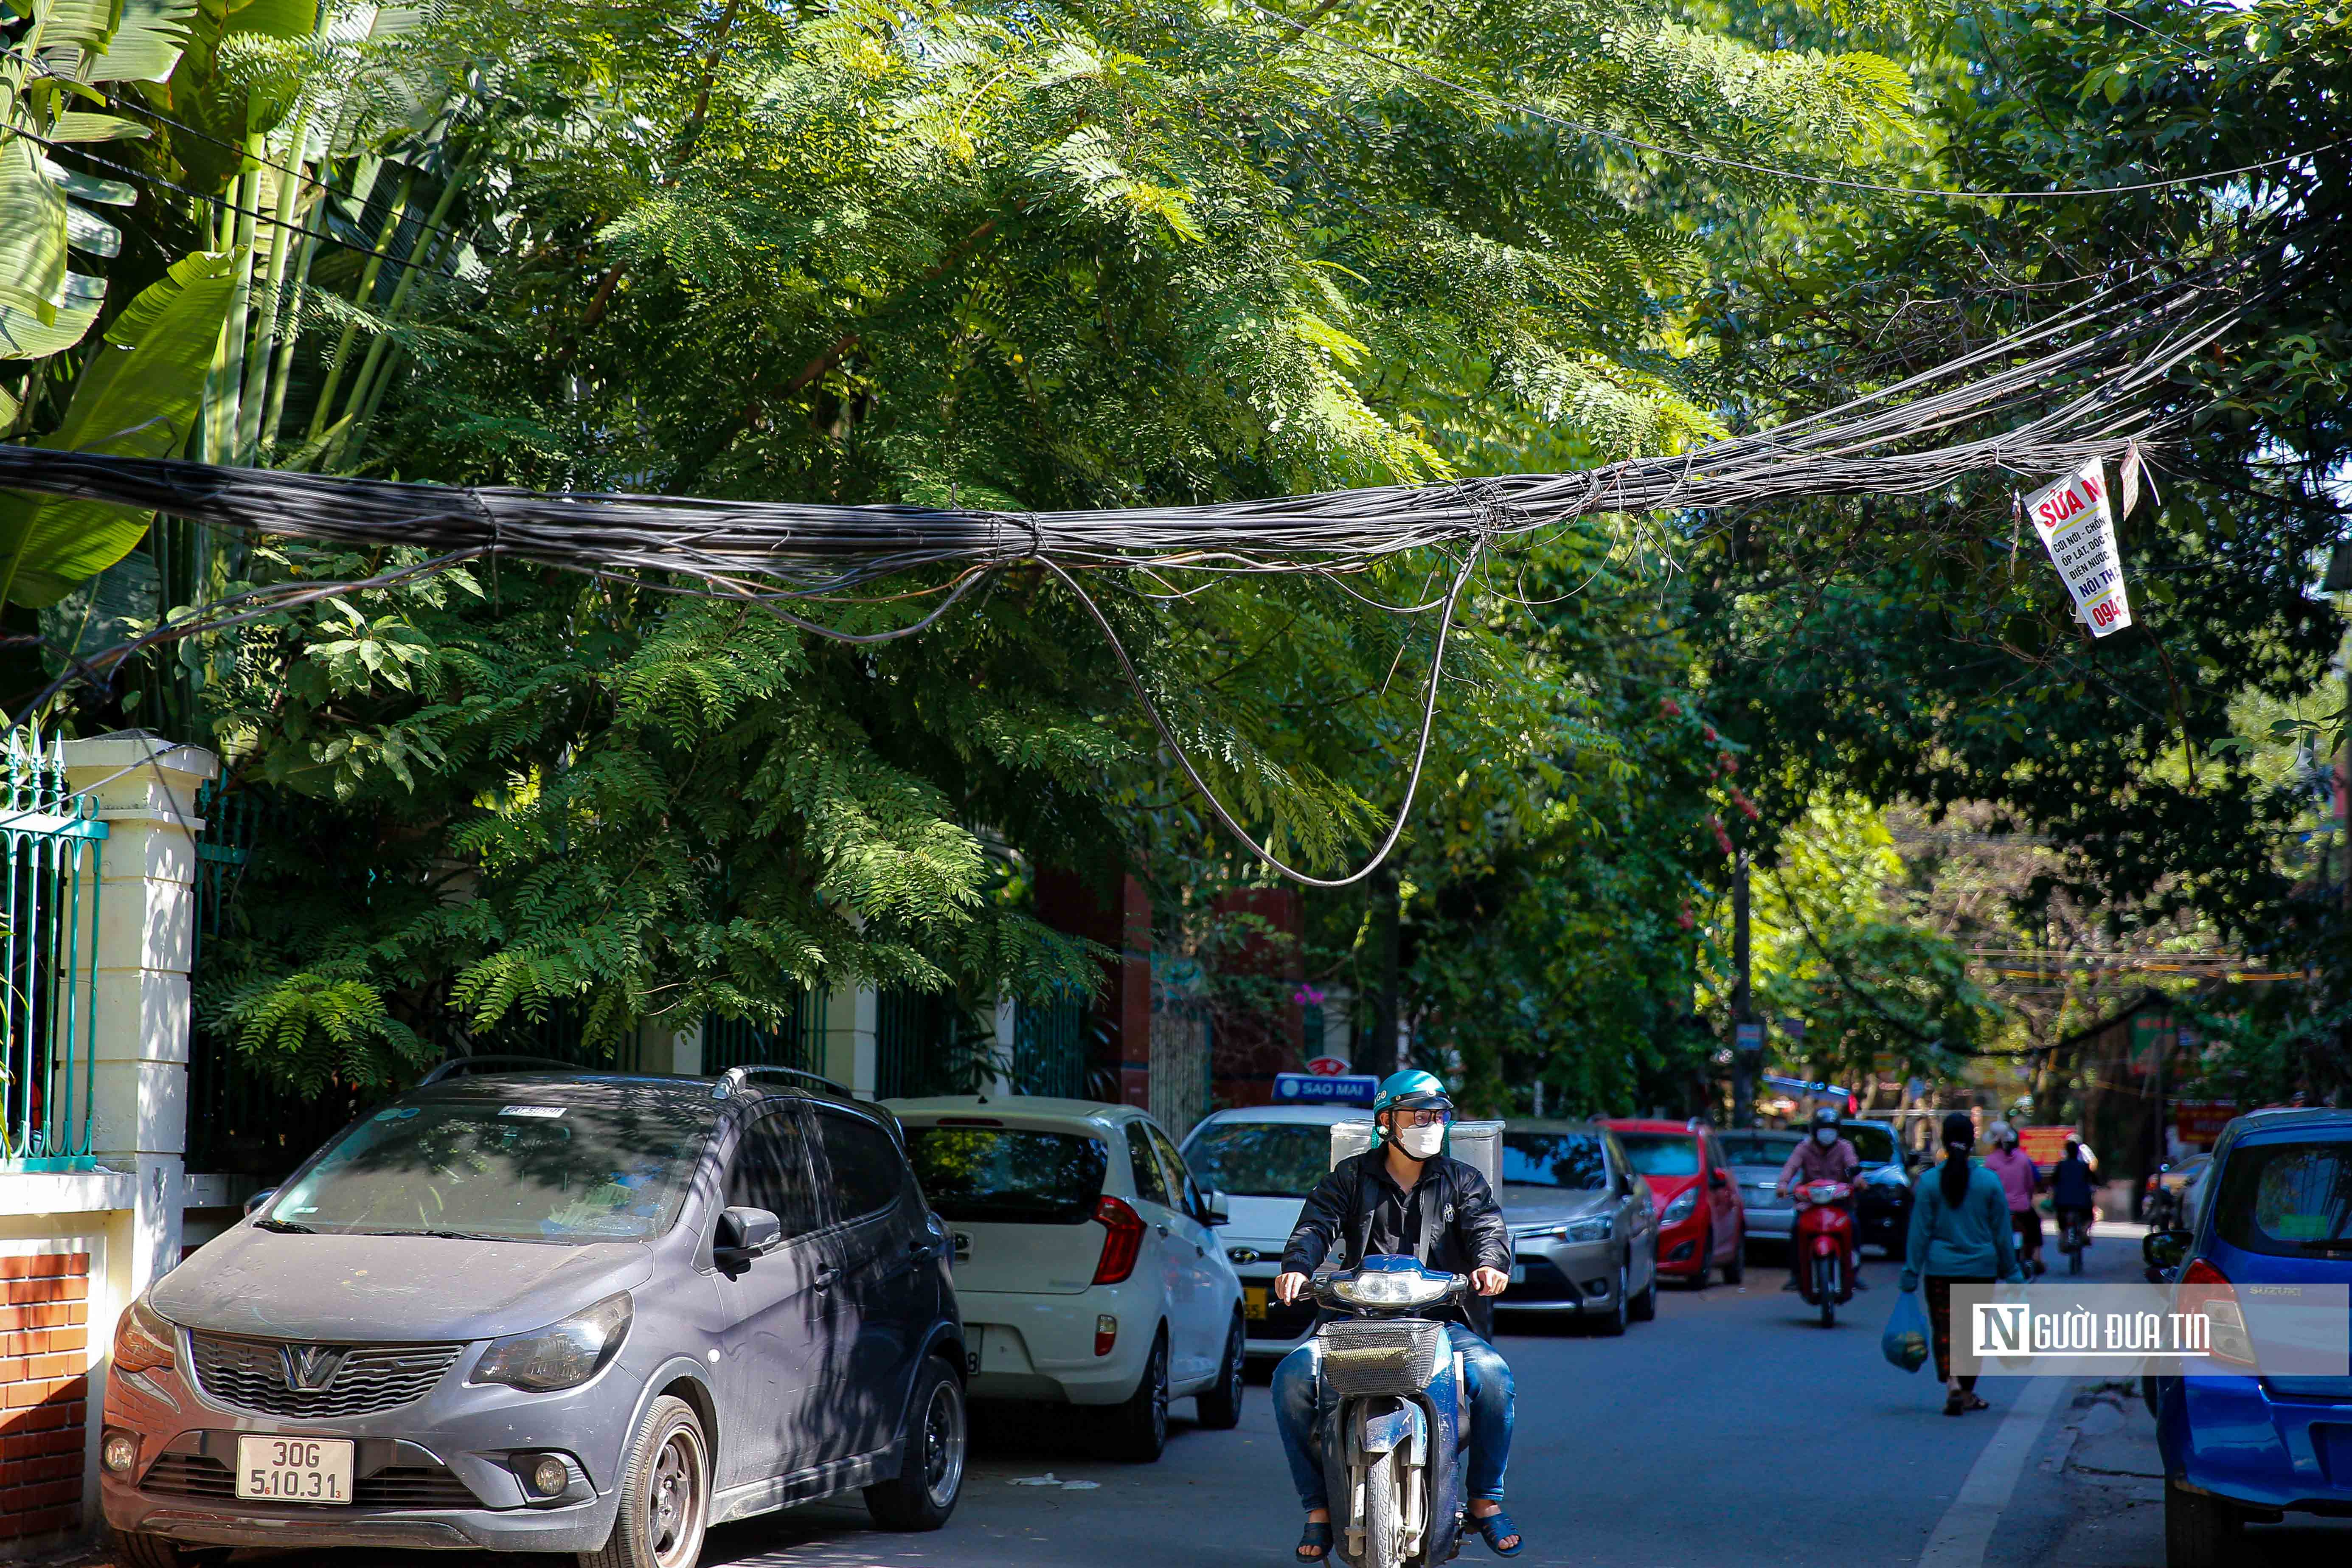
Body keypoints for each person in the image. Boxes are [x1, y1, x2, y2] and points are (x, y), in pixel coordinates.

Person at [1272, 1070, 1519, 1561]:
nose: (1431, 1124)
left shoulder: (1463, 1181)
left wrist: (1491, 1265)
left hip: (1440, 1324)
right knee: (1290, 1379)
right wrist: (1297, 1269)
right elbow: (1313, 1228)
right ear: (1386, 1121)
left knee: (1495, 1378)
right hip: (1352, 1323)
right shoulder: (1349, 1178)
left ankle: (1486, 1499)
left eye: (1438, 1116)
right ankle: (1319, 1507)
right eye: (1418, 1115)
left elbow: (1489, 1231)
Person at [1902, 1112, 2026, 1415]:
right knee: (1973, 1333)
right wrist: (2013, 1272)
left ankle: (1953, 1384)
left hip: (1940, 1270)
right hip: (1980, 1270)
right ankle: (1967, 1391)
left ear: (1944, 1142)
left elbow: (1919, 1233)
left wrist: (1910, 1272)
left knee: (1945, 1329)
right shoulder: (1989, 1182)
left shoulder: (1929, 1182)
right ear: (1972, 1143)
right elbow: (2002, 1233)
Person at [1776, 1104, 1866, 1291]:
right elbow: (1791, 1166)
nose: (1827, 1134)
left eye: (1831, 1130)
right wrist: (1783, 1184)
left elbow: (1853, 1166)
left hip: (1839, 1203)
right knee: (1796, 1229)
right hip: (1810, 1203)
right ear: (1815, 1131)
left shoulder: (1845, 1147)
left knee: (1855, 1227)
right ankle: (1796, 1274)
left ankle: (1853, 1271)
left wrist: (1859, 1181)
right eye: (1824, 1130)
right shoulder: (1804, 1147)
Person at [1984, 1121, 2045, 1276]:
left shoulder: (1990, 1162)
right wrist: (2027, 1199)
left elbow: (1986, 1189)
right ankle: (2035, 1258)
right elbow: (2030, 1185)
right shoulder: (2024, 1159)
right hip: (2022, 1208)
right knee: (2035, 1223)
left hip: (1998, 1210)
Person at [2051, 1138, 2096, 1252]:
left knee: (2062, 1221)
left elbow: (2053, 1181)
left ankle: (2064, 1237)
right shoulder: (2084, 1166)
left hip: (2062, 1202)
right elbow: (2095, 1180)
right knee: (2090, 1217)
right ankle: (2084, 1231)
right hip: (2082, 1202)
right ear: (2078, 1152)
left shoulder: (2061, 1166)